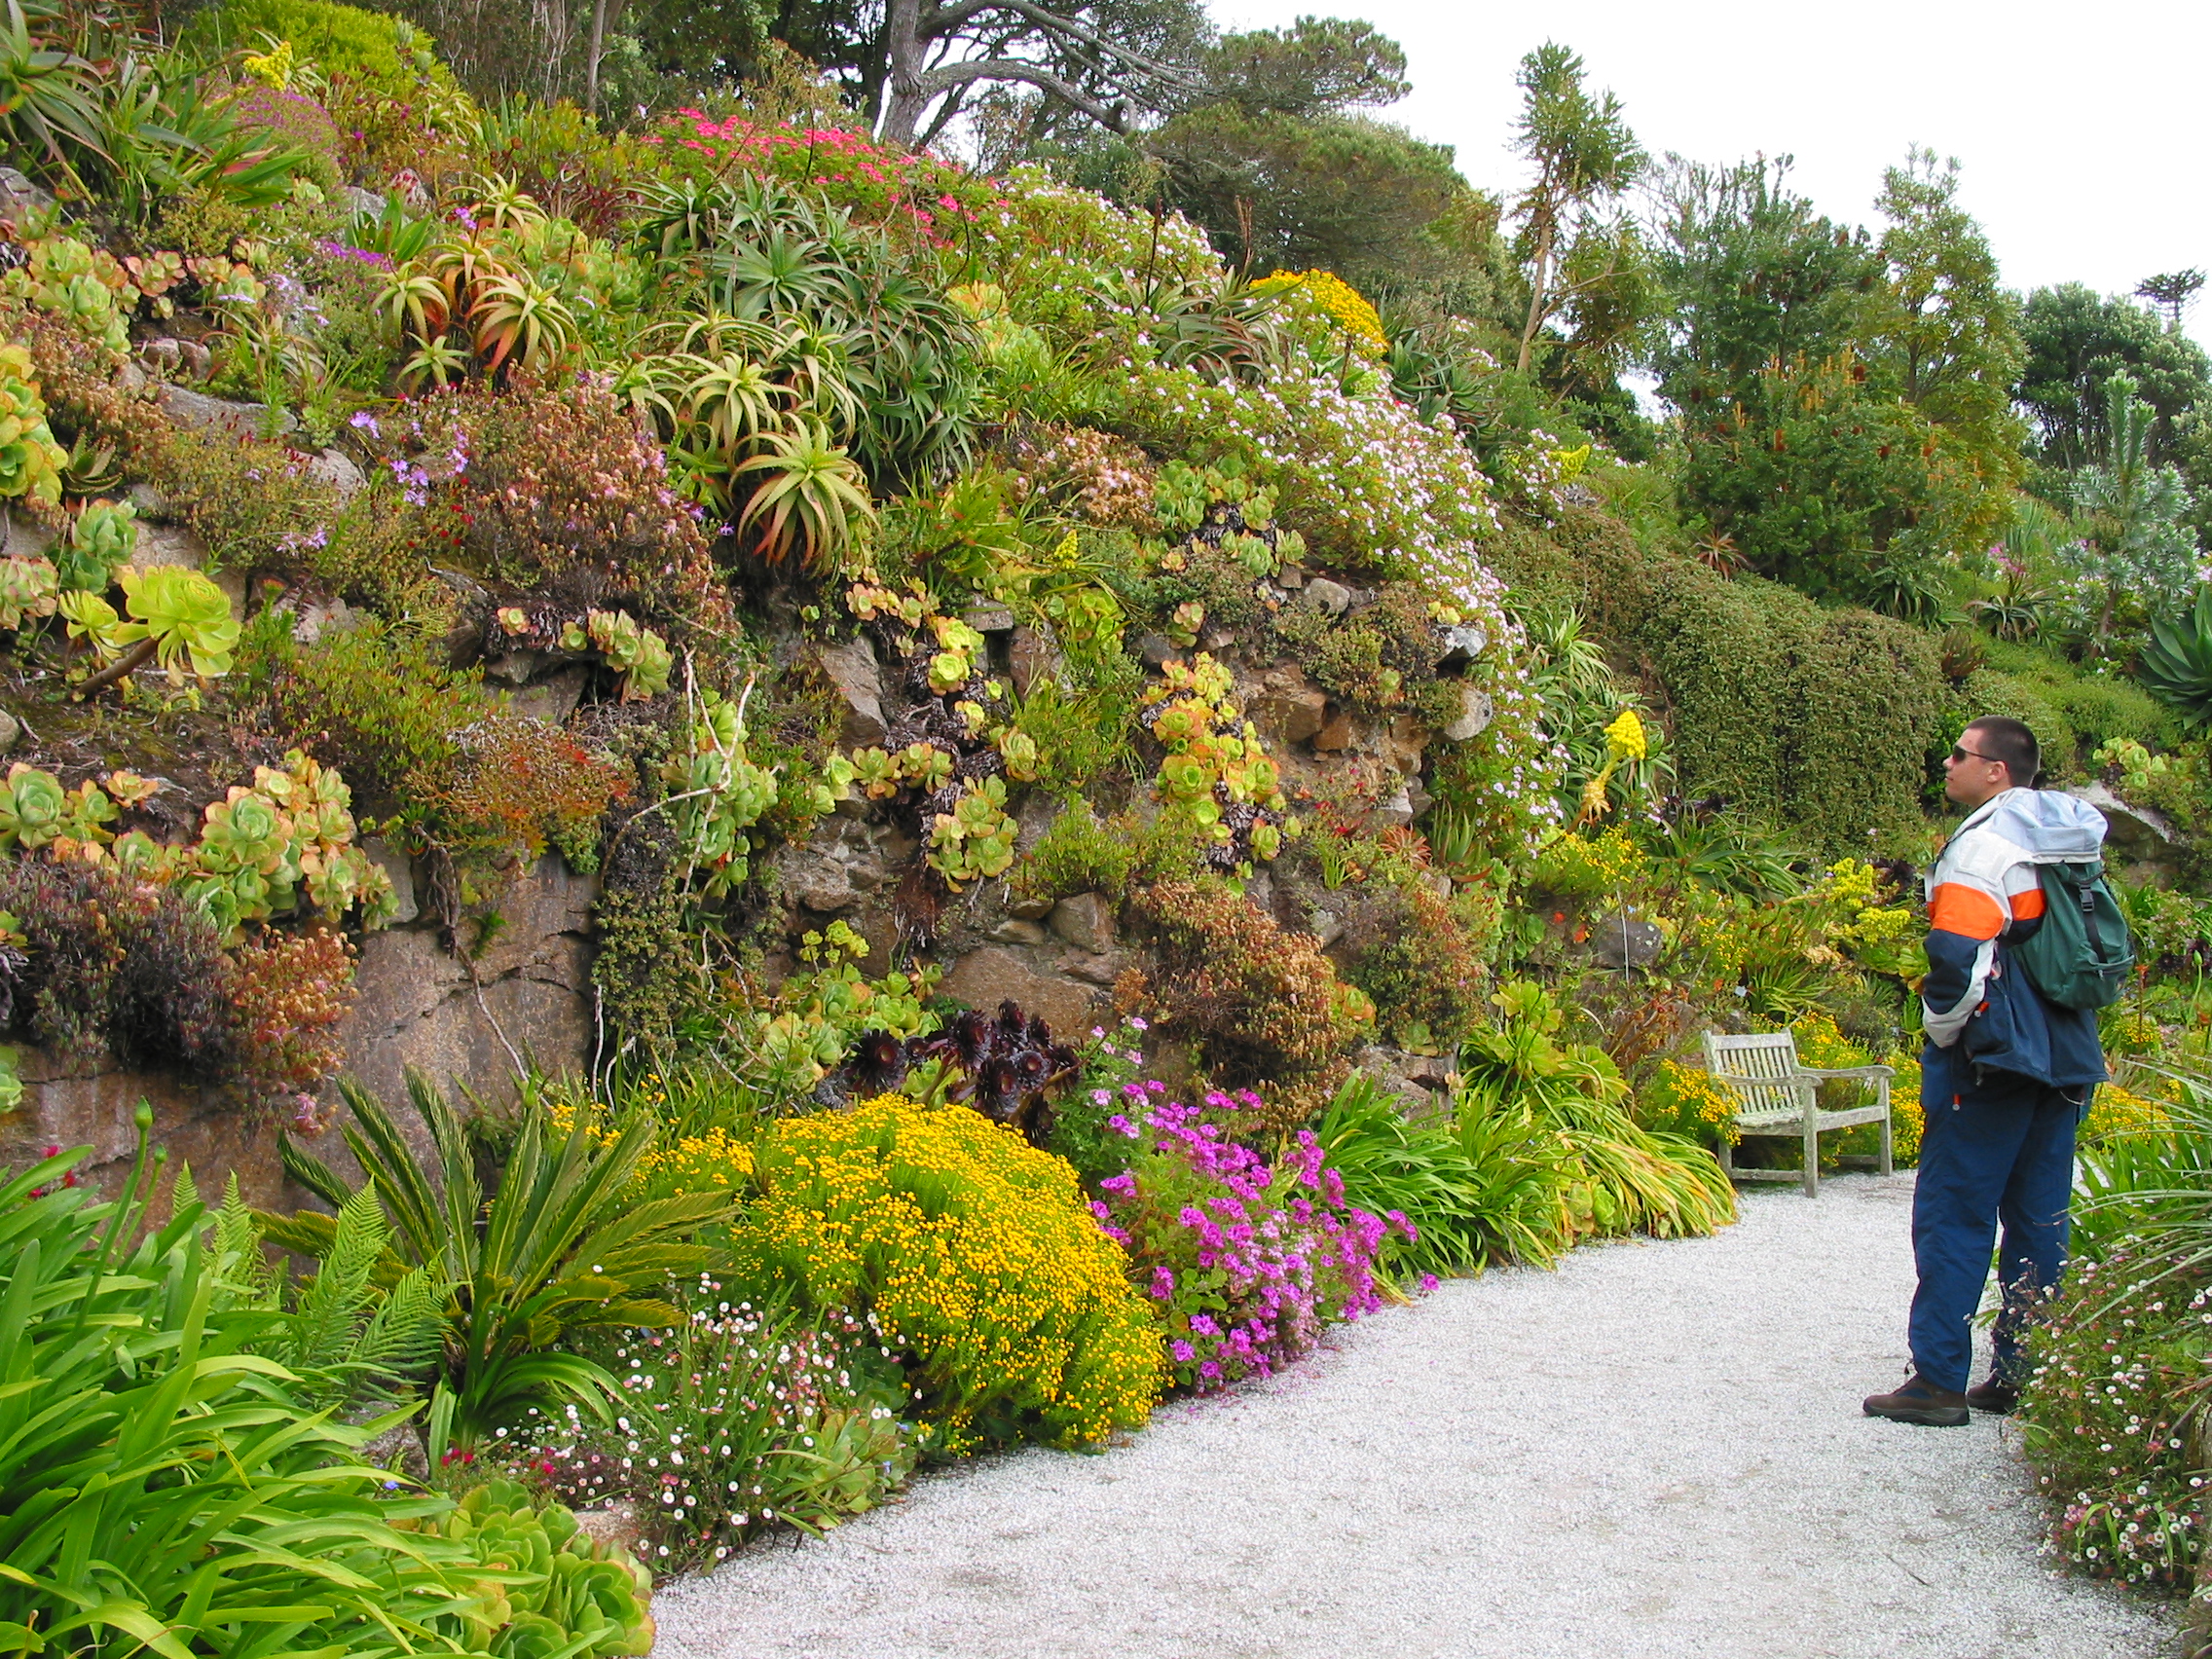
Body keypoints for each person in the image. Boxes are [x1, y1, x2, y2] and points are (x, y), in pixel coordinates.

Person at [1862, 717, 2109, 1428]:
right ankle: (2022, 1373)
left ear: (1996, 770)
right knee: (2040, 1217)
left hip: (1994, 1053)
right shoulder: (2064, 839)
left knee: (1955, 1212)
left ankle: (1938, 1380)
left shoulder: (1984, 845)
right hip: (2065, 1047)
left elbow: (1955, 955)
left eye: (1959, 754)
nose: (1947, 763)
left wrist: (1943, 1033)